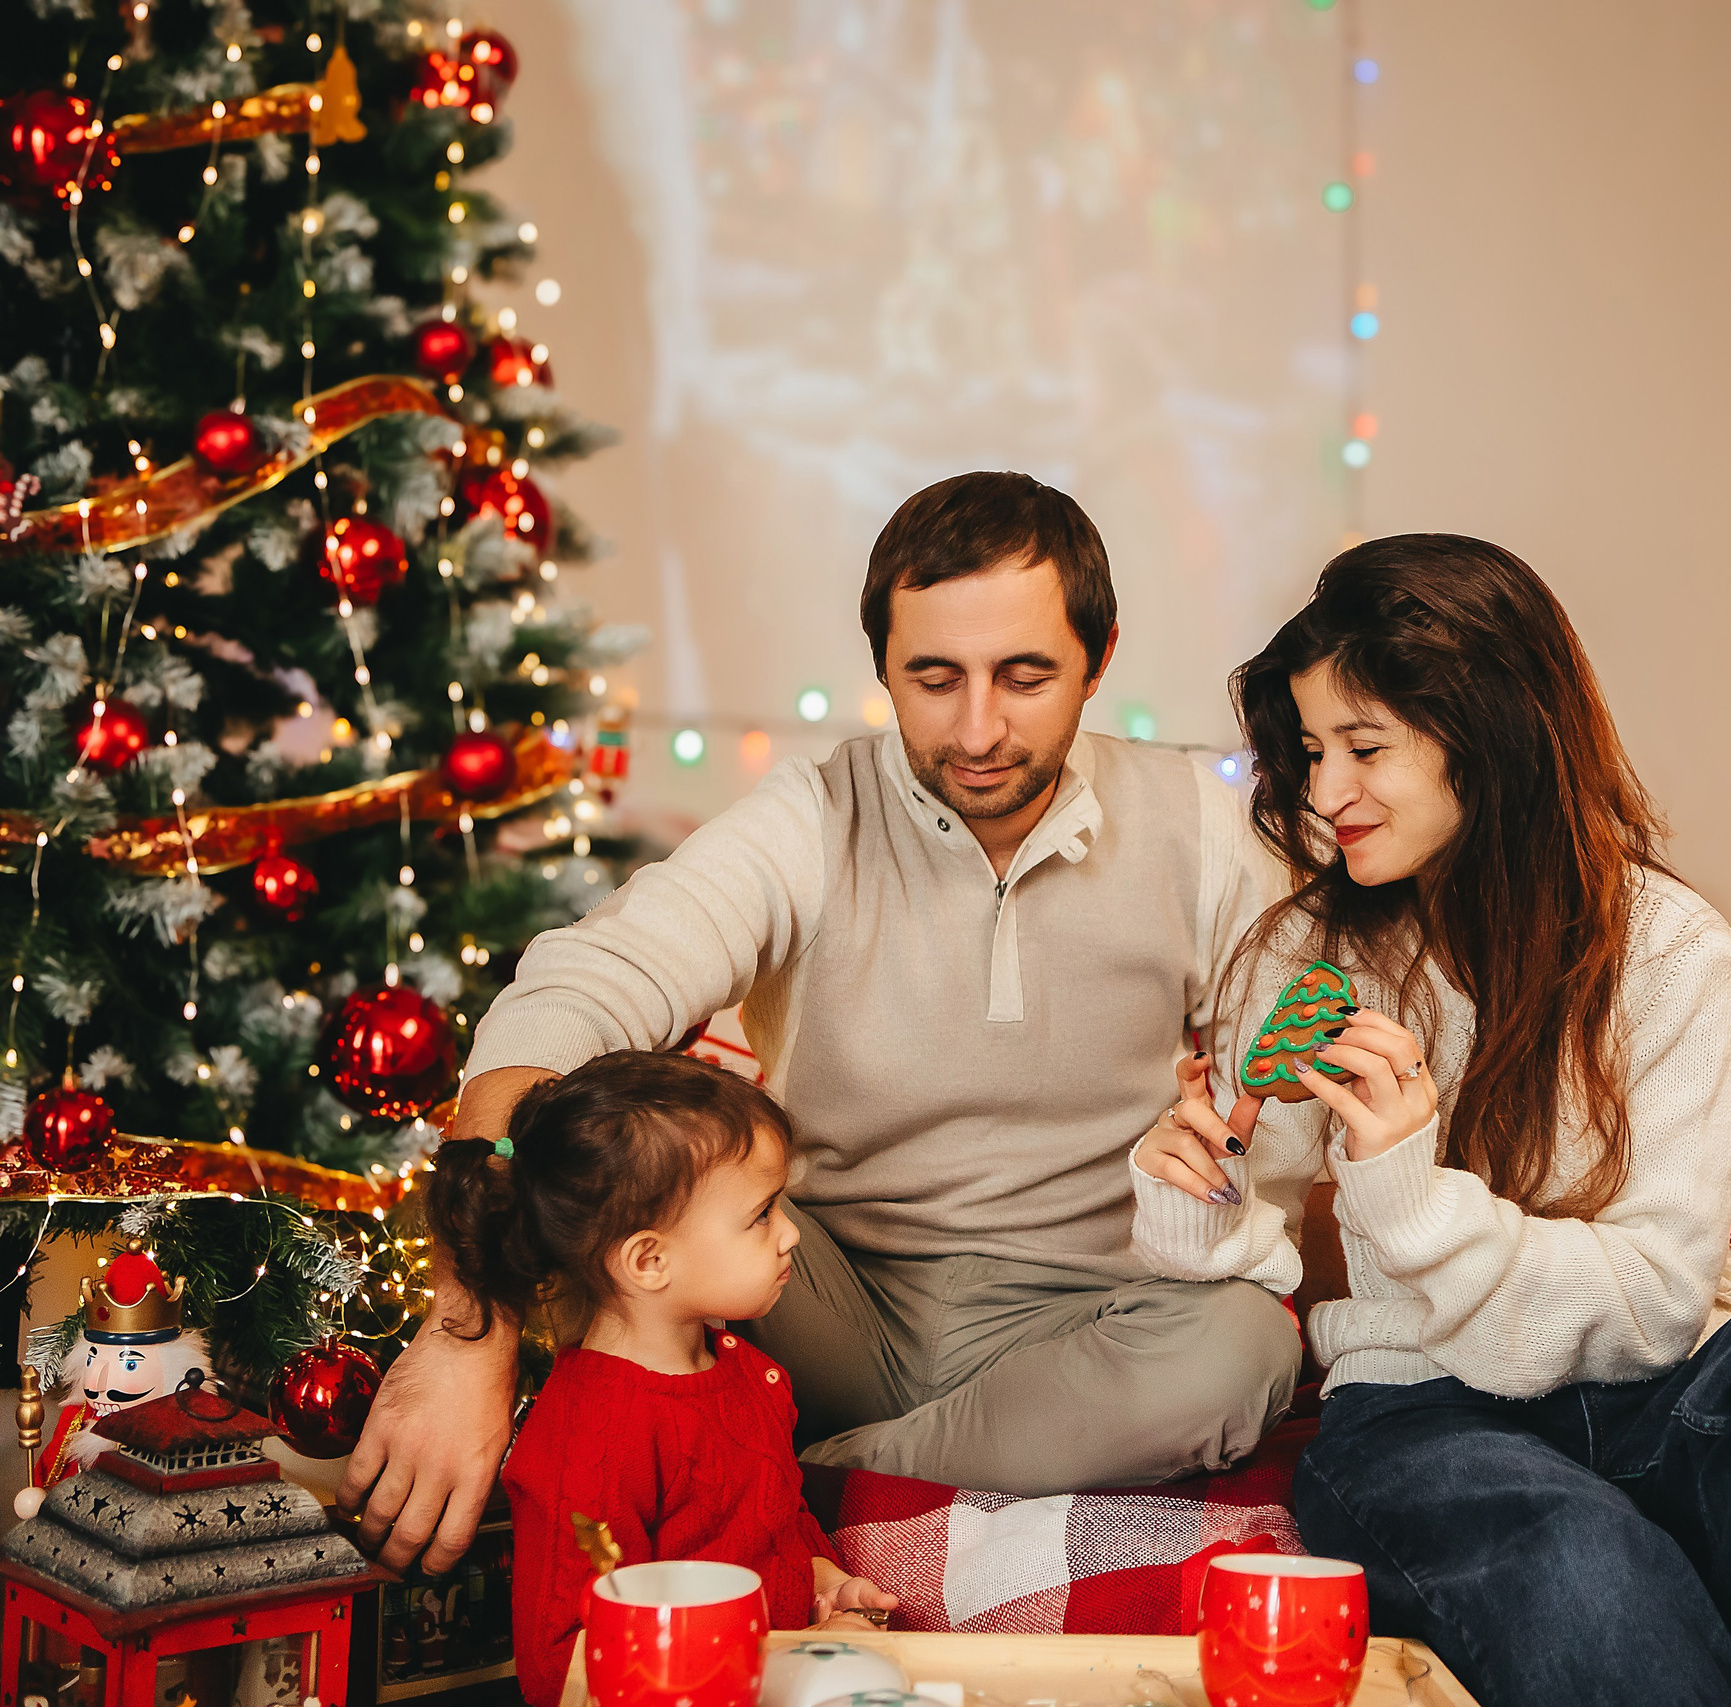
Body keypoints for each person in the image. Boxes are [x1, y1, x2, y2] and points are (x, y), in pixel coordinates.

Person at [344, 472, 1302, 1574]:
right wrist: (471, 1327)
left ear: (1102, 655)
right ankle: (914, 1448)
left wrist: (1218, 1170)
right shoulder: (811, 817)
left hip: (1098, 1318)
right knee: (639, 1203)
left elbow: (1270, 1127)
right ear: (882, 665)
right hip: (818, 1298)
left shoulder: (1201, 824)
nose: (977, 729)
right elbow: (575, 992)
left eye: (1025, 676)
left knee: (1243, 1350)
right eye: (932, 679)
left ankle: (824, 1466)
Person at [1131, 535, 1731, 1707]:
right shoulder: (1305, 954)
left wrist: (1411, 1196)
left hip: (1650, 1400)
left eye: (1364, 748)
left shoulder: (1673, 955)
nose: (1323, 794)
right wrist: (1190, 1183)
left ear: (1492, 733)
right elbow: (1243, 1227)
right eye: (1313, 752)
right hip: (1419, 1418)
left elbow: (1650, 1307)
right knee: (1585, 1568)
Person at [425, 1052, 898, 1707]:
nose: (790, 1233)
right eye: (760, 1214)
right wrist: (785, 1661)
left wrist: (823, 1581)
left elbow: (773, 1523)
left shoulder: (742, 1369)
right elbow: (562, 1668)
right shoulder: (592, 1440)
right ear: (649, 1259)